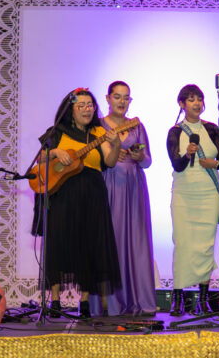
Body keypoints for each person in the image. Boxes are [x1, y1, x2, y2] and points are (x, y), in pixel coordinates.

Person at [34, 88, 122, 318]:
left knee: (89, 245)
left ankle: (84, 302)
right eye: (81, 105)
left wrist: (117, 144)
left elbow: (111, 162)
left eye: (90, 105)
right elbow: (40, 158)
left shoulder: (99, 132)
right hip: (63, 192)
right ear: (70, 110)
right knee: (59, 243)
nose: (86, 108)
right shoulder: (58, 132)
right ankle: (54, 301)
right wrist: (55, 152)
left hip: (92, 193)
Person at [90, 81, 156, 316]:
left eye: (126, 97)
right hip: (108, 185)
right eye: (117, 97)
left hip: (134, 187)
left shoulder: (137, 126)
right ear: (107, 99)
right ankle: (111, 304)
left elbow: (148, 162)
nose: (122, 102)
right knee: (112, 240)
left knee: (136, 241)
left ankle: (139, 300)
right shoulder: (97, 126)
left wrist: (139, 156)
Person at [166, 84, 219, 316]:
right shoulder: (175, 132)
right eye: (191, 99)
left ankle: (202, 298)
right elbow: (177, 165)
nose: (197, 103)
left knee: (205, 247)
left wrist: (213, 163)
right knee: (182, 245)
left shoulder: (212, 129)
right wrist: (188, 153)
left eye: (199, 99)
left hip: (208, 193)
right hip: (184, 194)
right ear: (182, 104)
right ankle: (178, 298)